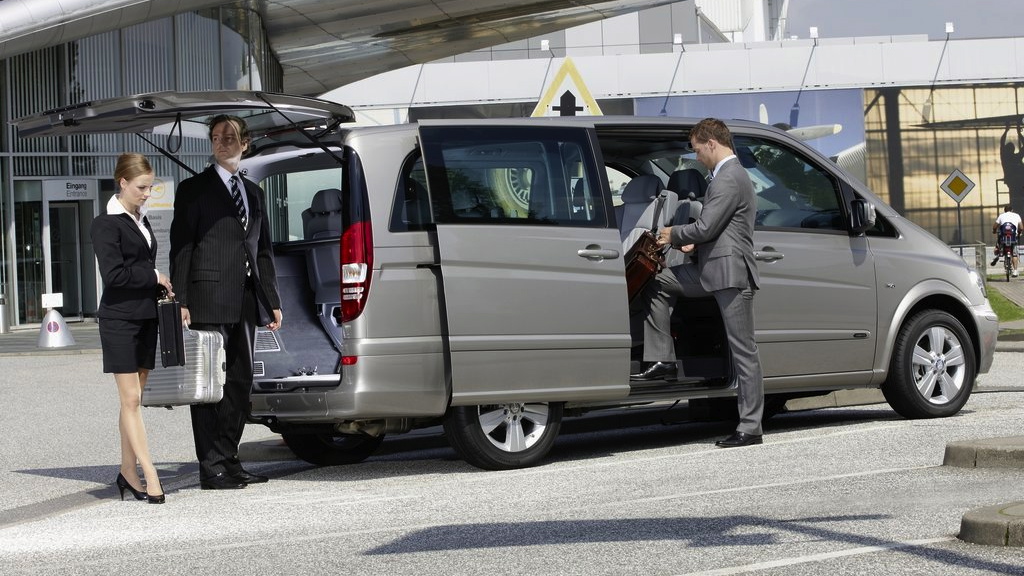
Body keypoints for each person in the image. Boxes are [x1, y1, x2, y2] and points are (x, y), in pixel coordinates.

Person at [632, 117, 764, 449]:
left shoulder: (729, 177)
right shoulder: (725, 177)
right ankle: (663, 358)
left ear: (711, 143)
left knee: (743, 351)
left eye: (697, 150)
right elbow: (718, 228)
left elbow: (706, 227)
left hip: (730, 273)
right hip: (710, 269)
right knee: (658, 280)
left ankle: (751, 427)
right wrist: (695, 243)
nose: (697, 157)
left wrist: (673, 234)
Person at [169, 115, 283, 490]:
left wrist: (272, 300)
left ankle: (230, 459)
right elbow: (182, 247)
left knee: (239, 382)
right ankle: (211, 466)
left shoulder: (253, 192)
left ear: (245, 143)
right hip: (206, 297)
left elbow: (262, 251)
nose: (222, 143)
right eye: (216, 137)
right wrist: (180, 300)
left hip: (245, 299)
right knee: (209, 386)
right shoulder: (193, 189)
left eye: (229, 137)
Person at [91, 153, 174, 504]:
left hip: (146, 317)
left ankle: (127, 470)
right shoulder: (105, 224)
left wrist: (163, 288)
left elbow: (140, 264)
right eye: (141, 187)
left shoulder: (141, 219)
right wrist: (154, 276)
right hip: (119, 320)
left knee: (133, 401)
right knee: (130, 400)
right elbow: (114, 276)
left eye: (150, 187)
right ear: (122, 183)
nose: (147, 193)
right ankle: (149, 473)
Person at [991, 204, 1022, 276]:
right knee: (1014, 253)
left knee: (999, 238)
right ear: (1012, 210)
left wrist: (994, 231)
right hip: (1013, 237)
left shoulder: (1001, 216)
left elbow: (994, 226)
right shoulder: (1016, 215)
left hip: (1003, 238)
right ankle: (1015, 271)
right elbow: (1021, 228)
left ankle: (998, 252)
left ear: (1004, 210)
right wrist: (1019, 233)